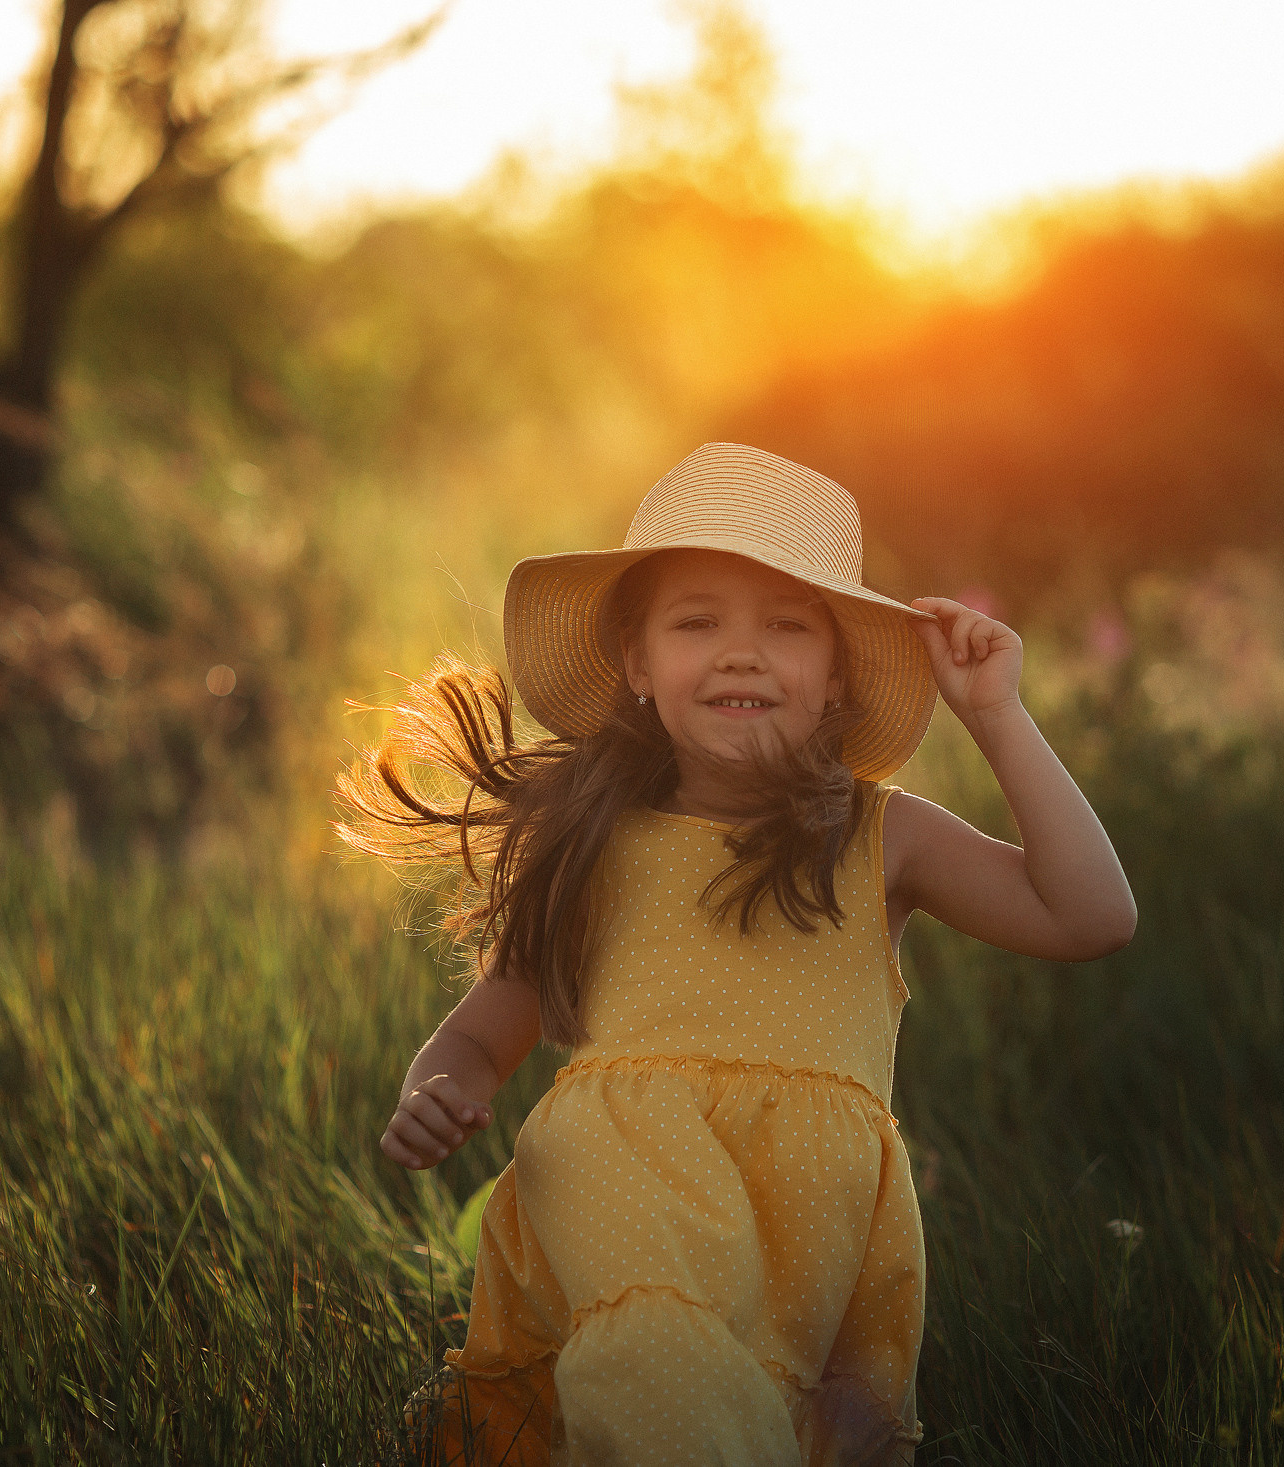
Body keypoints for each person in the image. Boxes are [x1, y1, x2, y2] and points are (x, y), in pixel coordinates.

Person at [342, 443, 1135, 1465]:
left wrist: (997, 717)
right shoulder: (590, 845)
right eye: (696, 622)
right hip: (615, 1169)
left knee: (751, 1423)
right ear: (637, 665)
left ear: (838, 672)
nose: (742, 652)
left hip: (807, 1242)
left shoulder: (880, 837)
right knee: (658, 1360)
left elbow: (1088, 918)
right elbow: (479, 1032)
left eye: (787, 625)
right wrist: (436, 1089)